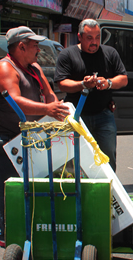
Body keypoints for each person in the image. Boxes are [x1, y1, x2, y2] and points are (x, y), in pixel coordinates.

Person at [0, 26, 69, 247]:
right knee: (7, 186)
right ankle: (6, 235)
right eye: (34, 45)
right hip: (2, 135)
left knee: (30, 181)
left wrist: (56, 108)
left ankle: (29, 227)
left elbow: (49, 93)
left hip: (26, 132)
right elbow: (15, 100)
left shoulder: (33, 67)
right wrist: (47, 110)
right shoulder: (4, 69)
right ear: (21, 46)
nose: (38, 49)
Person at [55, 19, 128, 172]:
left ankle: (109, 191)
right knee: (75, 160)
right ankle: (78, 192)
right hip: (77, 117)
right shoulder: (67, 55)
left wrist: (108, 83)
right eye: (89, 38)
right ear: (79, 37)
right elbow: (62, 83)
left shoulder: (110, 53)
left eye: (97, 37)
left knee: (107, 157)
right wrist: (83, 84)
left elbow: (123, 79)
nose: (94, 42)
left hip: (104, 115)